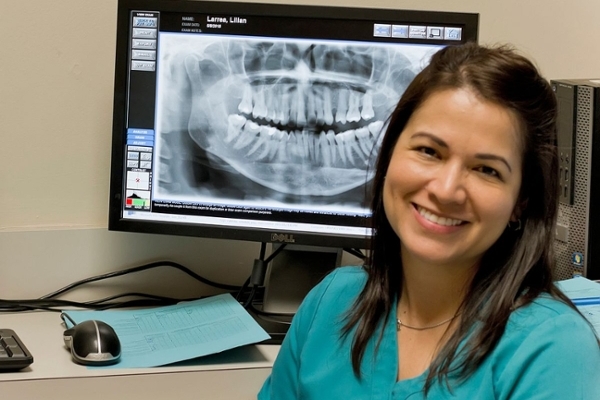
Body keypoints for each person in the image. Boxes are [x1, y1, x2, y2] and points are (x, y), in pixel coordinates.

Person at [257, 42, 600, 399]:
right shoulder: (330, 303)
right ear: (389, 154)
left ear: (520, 203)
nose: (447, 190)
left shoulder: (552, 351)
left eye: (487, 170)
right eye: (428, 151)